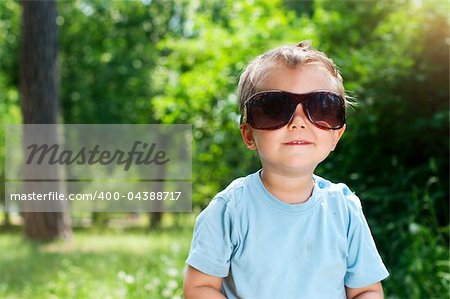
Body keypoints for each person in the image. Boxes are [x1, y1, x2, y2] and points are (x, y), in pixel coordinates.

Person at [183, 41, 389, 299]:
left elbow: (367, 290)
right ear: (249, 134)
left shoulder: (344, 209)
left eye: (321, 106)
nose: (298, 122)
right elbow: (199, 287)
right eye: (274, 108)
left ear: (336, 135)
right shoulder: (230, 209)